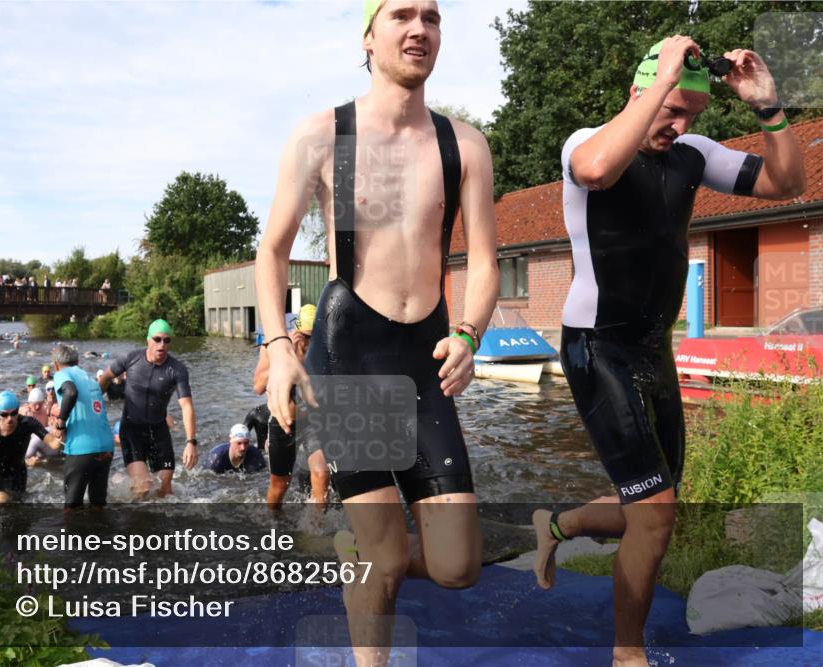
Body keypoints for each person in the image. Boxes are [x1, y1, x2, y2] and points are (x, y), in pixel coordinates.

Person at [531, 37, 806, 667]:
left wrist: (768, 108)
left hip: (653, 350)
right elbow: (597, 171)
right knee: (653, 511)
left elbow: (788, 184)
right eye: (672, 110)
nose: (679, 126)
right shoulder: (585, 143)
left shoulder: (692, 155)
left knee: (656, 506)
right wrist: (659, 87)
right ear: (639, 91)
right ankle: (627, 656)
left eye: (692, 115)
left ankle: (555, 526)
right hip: (597, 346)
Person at [254, 2, 498, 664]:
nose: (420, 29)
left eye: (432, 18)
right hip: (350, 357)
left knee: (456, 566)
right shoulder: (323, 134)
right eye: (401, 15)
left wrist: (469, 333)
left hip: (427, 359)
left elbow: (484, 261)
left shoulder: (464, 144)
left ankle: (356, 555)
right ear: (369, 36)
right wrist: (279, 348)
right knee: (386, 557)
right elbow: (272, 250)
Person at [98, 319, 199, 499]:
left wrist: (191, 442)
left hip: (158, 430)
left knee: (165, 488)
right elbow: (105, 378)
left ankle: (158, 516)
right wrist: (94, 407)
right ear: (148, 340)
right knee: (144, 487)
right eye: (157, 339)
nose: (162, 344)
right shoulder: (131, 358)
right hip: (132, 430)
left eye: (167, 340)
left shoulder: (177, 369)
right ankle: (131, 513)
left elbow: (186, 405)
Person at [252, 304, 329, 508]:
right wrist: (288, 360)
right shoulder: (275, 346)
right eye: (306, 337)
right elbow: (258, 386)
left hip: (313, 422)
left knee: (322, 474)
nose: (310, 343)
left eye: (315, 338)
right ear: (297, 332)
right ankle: (273, 518)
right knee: (280, 485)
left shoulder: (324, 347)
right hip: (283, 423)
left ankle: (316, 525)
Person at [0, 391, 63, 503]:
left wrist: (61, 429)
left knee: (17, 505)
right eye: (5, 415)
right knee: (1, 500)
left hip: (18, 472)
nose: (10, 418)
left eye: (14, 413)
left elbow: (54, 443)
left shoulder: (28, 424)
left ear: (18, 410)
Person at [52, 344, 116, 508]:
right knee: (98, 504)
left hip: (82, 447)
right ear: (78, 361)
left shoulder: (61, 374)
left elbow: (71, 392)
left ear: (56, 365)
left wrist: (60, 423)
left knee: (71, 508)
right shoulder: (90, 378)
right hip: (106, 447)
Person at [202, 424, 267, 474]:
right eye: (239, 443)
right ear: (230, 440)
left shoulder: (256, 456)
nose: (243, 448)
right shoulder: (215, 459)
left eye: (246, 443)